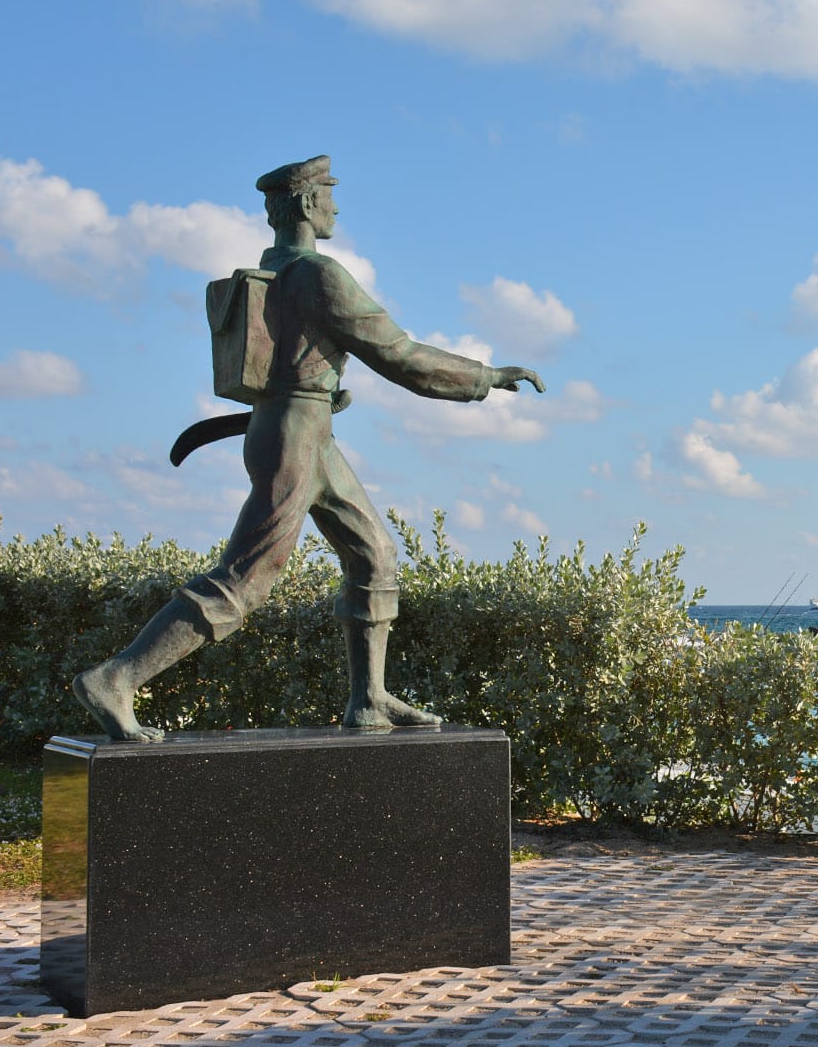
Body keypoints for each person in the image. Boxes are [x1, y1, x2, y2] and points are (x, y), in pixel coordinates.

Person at [73, 155, 544, 742]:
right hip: (294, 438)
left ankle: (368, 698)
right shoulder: (319, 276)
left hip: (302, 429)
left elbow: (294, 366)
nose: (335, 206)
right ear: (303, 203)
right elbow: (399, 356)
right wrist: (487, 378)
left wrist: (320, 393)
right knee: (246, 578)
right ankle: (118, 677)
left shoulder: (279, 275)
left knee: (374, 555)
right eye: (327, 194)